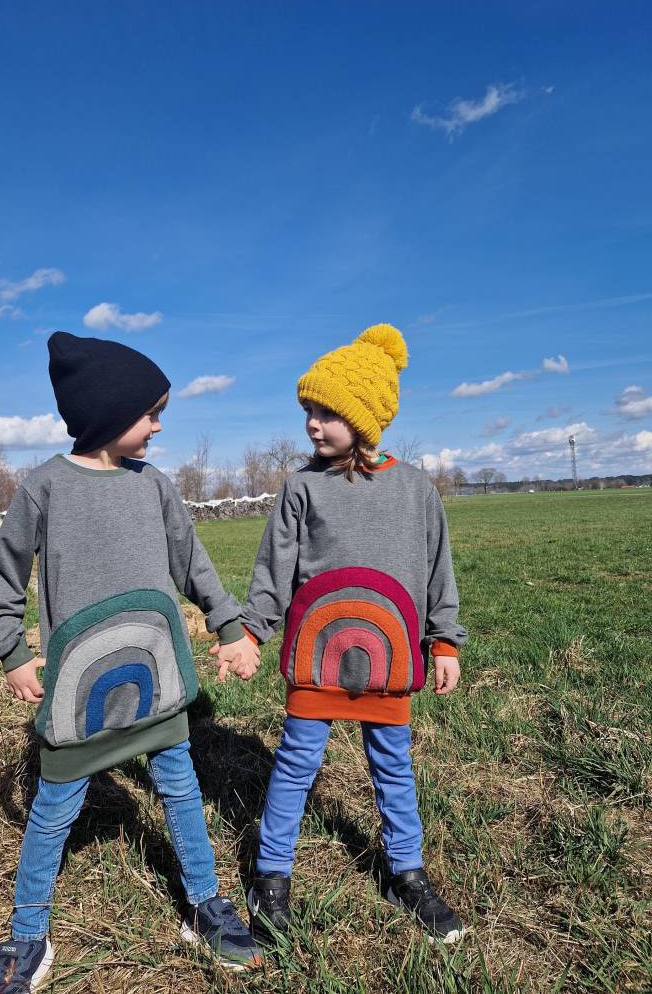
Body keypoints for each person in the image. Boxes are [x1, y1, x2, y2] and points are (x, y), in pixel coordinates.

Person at [0, 331, 262, 992]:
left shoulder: (154, 486)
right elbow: (2, 573)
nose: (159, 426)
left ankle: (203, 904)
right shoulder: (44, 487)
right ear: (106, 411)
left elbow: (193, 563)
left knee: (181, 787)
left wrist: (227, 624)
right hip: (79, 693)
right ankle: (27, 936)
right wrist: (10, 648)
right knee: (53, 811)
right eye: (151, 413)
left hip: (157, 678)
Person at [214, 324, 467, 945]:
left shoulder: (415, 490)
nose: (313, 424)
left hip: (392, 658)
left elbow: (439, 570)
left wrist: (445, 640)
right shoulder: (303, 486)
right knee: (295, 763)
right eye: (308, 410)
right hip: (317, 657)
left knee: (393, 769)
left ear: (366, 416)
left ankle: (406, 873)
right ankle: (271, 874)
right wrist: (251, 632)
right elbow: (274, 569)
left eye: (328, 412)